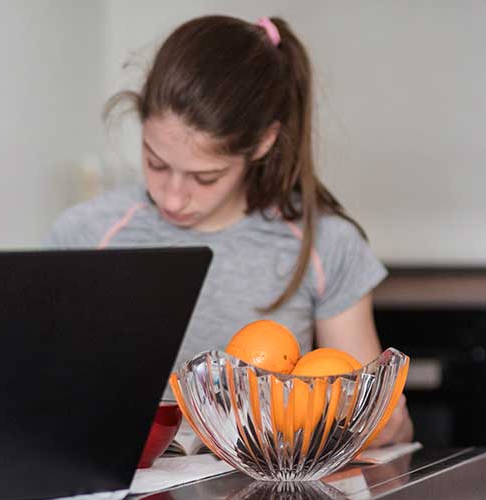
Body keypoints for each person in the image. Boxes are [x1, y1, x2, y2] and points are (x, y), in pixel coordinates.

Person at [48, 15, 412, 447]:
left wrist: (382, 424)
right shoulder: (86, 235)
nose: (173, 197)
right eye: (156, 162)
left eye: (205, 178)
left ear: (262, 143)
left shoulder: (325, 246)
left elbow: (383, 425)